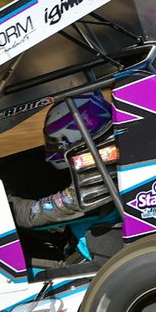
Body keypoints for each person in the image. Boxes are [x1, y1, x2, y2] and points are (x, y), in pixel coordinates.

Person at [8, 93, 117, 230]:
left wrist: (9, 206)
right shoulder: (114, 153)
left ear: (71, 138)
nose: (49, 156)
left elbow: (35, 214)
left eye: (53, 144)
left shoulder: (99, 173)